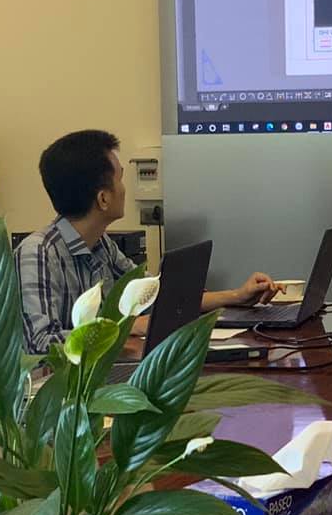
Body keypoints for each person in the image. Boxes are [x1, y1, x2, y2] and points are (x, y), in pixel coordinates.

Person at [18, 130, 273, 353]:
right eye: (119, 178)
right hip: (61, 399)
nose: (124, 188)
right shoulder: (38, 253)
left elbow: (158, 296)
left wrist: (236, 296)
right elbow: (40, 342)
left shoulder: (101, 245)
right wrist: (125, 329)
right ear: (103, 199)